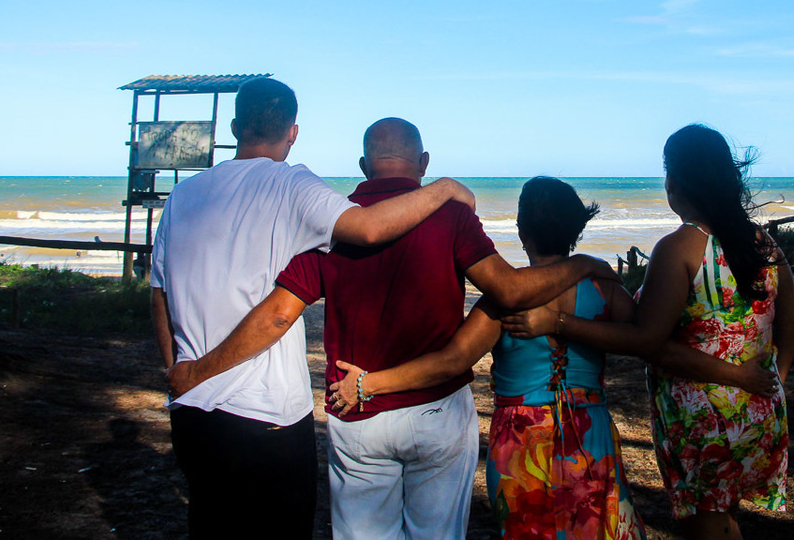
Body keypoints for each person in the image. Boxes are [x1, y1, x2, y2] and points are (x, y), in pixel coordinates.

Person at [167, 120, 614, 540]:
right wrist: (585, 264)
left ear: (364, 166)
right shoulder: (451, 217)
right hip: (437, 409)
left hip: (357, 405)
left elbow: (279, 313)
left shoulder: (333, 223)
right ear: (423, 163)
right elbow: (510, 290)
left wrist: (201, 369)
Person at [150, 84, 476, 540]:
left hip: (192, 409)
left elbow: (160, 293)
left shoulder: (183, 196)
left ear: (233, 128)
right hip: (267, 412)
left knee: (210, 525)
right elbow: (365, 228)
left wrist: (178, 369)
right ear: (294, 132)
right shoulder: (291, 184)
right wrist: (443, 188)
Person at [502, 125, 794, 540]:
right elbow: (790, 323)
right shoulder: (762, 242)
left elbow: (646, 340)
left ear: (674, 181)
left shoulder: (680, 247)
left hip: (704, 416)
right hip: (760, 409)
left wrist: (558, 324)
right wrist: (775, 380)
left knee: (705, 525)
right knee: (726, 515)